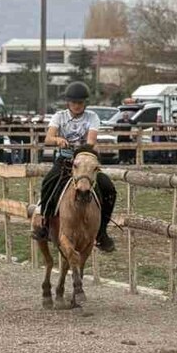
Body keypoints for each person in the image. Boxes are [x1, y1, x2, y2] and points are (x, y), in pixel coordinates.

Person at [30, 81, 117, 251]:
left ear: (85, 103)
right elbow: (48, 138)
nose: (77, 106)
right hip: (65, 160)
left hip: (85, 162)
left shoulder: (92, 117)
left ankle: (102, 230)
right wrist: (58, 140)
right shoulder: (59, 116)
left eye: (80, 103)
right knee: (48, 183)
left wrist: (83, 150)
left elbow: (91, 141)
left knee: (108, 188)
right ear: (68, 103)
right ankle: (45, 224)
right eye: (74, 103)